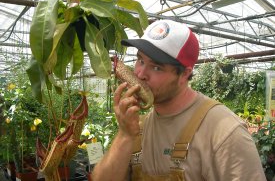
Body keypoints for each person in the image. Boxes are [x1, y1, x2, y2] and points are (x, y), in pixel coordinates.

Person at [91, 19, 266, 181]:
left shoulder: (224, 132)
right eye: (140, 60)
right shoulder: (139, 127)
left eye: (156, 67)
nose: (140, 74)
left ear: (184, 74)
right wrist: (125, 135)